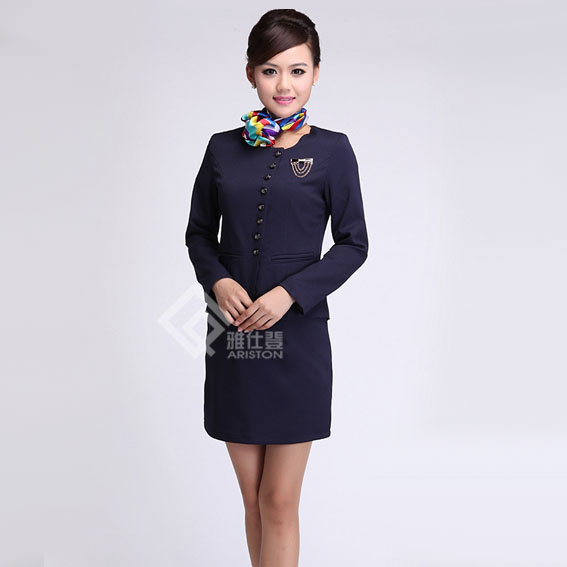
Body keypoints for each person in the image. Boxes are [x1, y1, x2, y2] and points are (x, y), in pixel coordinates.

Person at [185, 9, 369, 567]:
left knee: (279, 499)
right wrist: (218, 279)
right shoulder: (222, 148)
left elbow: (354, 244)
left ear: (316, 73)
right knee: (252, 498)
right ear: (251, 74)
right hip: (233, 335)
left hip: (299, 339)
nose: (283, 84)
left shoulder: (333, 150)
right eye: (270, 70)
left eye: (297, 70)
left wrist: (291, 293)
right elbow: (199, 235)